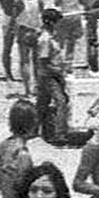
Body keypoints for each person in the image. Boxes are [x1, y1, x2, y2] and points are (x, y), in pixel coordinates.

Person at [35, 9, 71, 145]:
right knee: (61, 101)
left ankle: (34, 129)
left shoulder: (50, 37)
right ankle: (59, 134)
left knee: (42, 103)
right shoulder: (45, 39)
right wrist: (60, 71)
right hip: (49, 76)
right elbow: (44, 62)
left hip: (48, 75)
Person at [15, 0, 44, 98]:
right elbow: (41, 16)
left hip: (24, 31)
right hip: (36, 31)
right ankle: (37, 87)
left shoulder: (19, 0)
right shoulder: (39, 0)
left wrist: (12, 30)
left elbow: (14, 17)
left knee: (25, 61)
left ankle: (27, 89)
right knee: (36, 61)